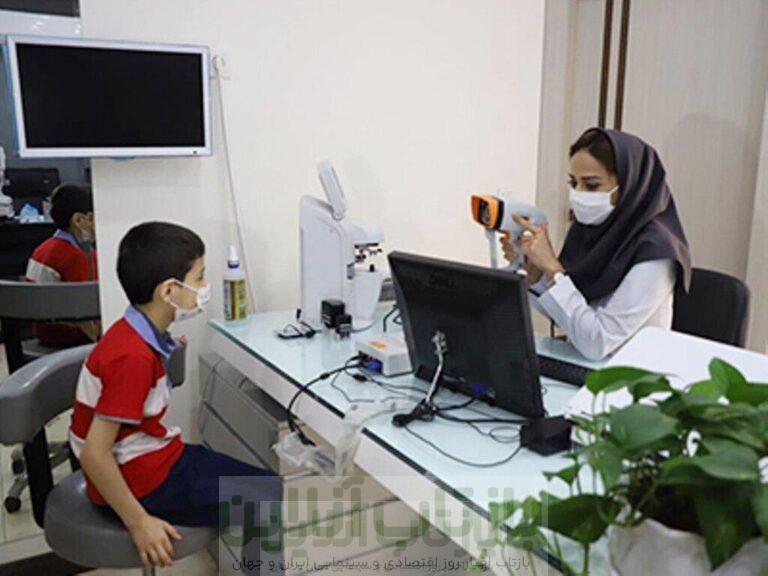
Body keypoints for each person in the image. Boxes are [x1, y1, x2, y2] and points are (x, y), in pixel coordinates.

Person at [69, 222, 281, 570]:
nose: (205, 287)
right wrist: (139, 522)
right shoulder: (132, 357)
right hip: (141, 483)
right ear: (169, 290)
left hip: (155, 457)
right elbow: (94, 454)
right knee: (268, 496)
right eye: (200, 277)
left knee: (265, 485)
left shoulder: (133, 334)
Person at [502, 128, 692, 360]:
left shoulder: (657, 253)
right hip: (584, 365)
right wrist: (536, 275)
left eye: (591, 185)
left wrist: (553, 269)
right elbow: (572, 318)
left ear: (630, 184)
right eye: (573, 183)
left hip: (631, 376)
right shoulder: (591, 230)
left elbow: (598, 341)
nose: (578, 194)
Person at [26, 183, 100, 344]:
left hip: (43, 331)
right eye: (95, 218)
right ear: (78, 220)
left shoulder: (43, 249)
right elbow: (86, 311)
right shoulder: (77, 256)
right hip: (69, 335)